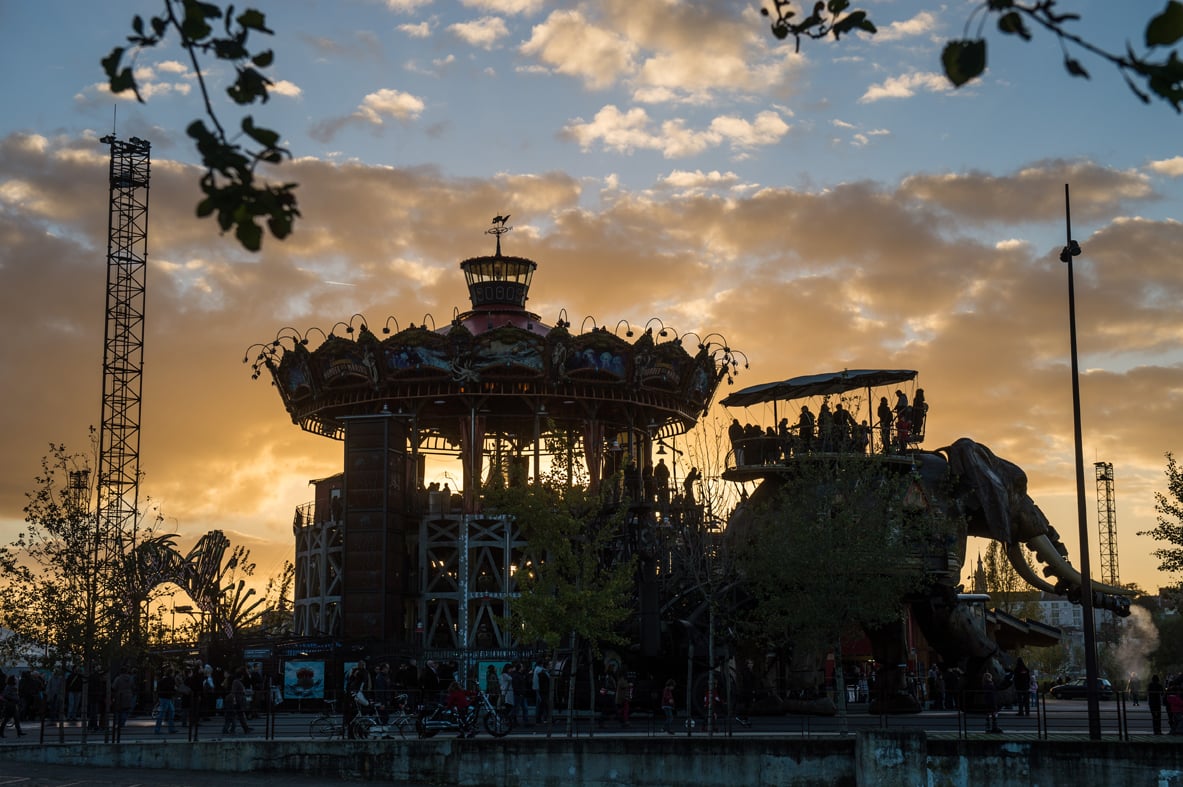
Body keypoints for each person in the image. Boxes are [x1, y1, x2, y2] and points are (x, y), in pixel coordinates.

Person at [221, 668, 252, 735]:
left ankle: (244, 728)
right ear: (241, 676)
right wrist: (234, 699)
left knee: (236, 716)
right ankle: (244, 729)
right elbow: (234, 691)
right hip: (238, 701)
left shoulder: (237, 682)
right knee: (237, 716)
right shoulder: (236, 682)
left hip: (238, 701)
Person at [111, 666, 137, 731]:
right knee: (126, 710)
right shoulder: (130, 679)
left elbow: (114, 687)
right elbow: (133, 687)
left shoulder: (118, 678)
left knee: (118, 709)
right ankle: (122, 722)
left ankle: (118, 722)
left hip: (120, 695)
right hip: (128, 695)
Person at [154, 666, 178, 734]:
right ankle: (159, 729)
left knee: (169, 712)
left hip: (163, 697)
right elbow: (172, 688)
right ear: (171, 673)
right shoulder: (171, 680)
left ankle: (170, 729)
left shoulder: (162, 680)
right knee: (165, 713)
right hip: (167, 697)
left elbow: (159, 687)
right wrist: (175, 691)